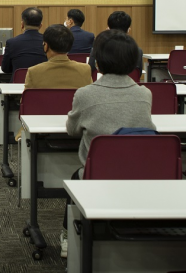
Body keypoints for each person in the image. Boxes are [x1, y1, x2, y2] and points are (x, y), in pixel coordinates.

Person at [63, 30, 155, 257]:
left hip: (97, 174)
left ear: (98, 60)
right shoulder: (145, 93)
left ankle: (68, 236)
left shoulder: (85, 94)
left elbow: (72, 130)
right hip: (145, 172)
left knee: (75, 178)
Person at [24, 24, 93, 89]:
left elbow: (27, 100)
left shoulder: (33, 72)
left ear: (46, 46)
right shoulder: (85, 70)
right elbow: (89, 98)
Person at [88, 11, 144, 75]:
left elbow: (91, 69)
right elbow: (137, 74)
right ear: (128, 29)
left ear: (109, 28)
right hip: (128, 84)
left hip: (103, 83)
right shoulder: (137, 50)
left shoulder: (97, 47)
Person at [1, 7, 47, 74]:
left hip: (18, 82)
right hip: (41, 82)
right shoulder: (48, 42)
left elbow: (5, 68)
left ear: (22, 24)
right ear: (40, 26)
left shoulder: (11, 42)